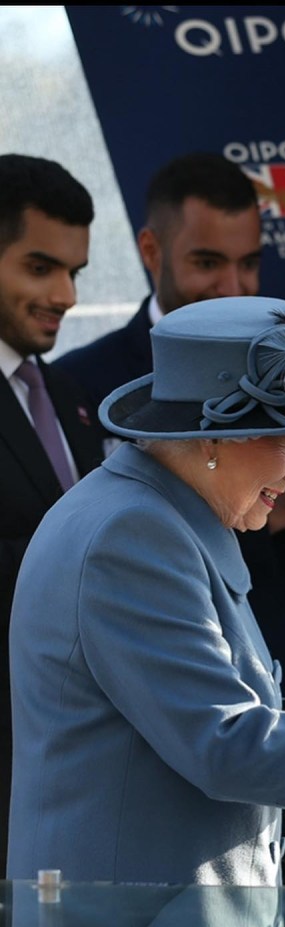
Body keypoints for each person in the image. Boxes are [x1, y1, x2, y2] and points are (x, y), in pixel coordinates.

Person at [6, 295, 285, 885]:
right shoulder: (134, 535)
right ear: (218, 440)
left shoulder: (161, 515)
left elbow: (190, 710)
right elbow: (224, 743)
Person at [53, 151, 285, 707]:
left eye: (248, 263)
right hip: (167, 701)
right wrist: (251, 514)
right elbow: (101, 555)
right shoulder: (81, 382)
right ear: (151, 251)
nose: (232, 285)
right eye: (207, 262)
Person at [0, 154, 104, 873]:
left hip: (76, 770)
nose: (65, 294)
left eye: (76, 272)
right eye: (41, 267)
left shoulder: (69, 392)